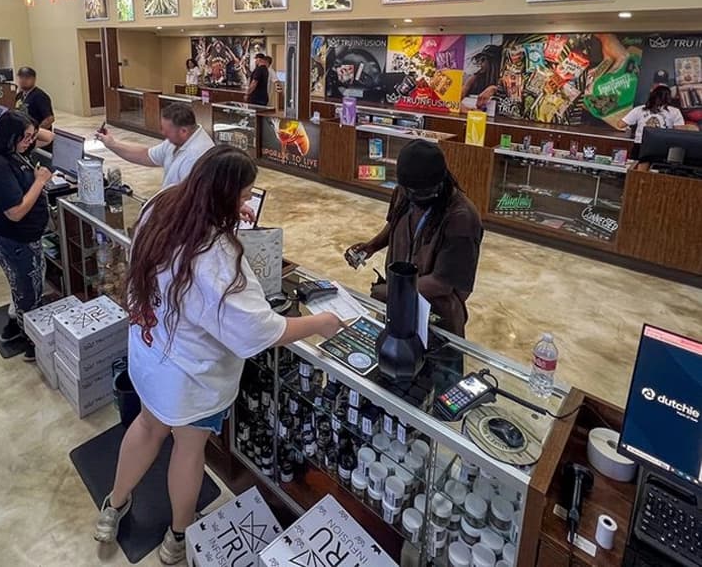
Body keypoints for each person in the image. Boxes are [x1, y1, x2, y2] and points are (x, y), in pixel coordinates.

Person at [94, 147, 341, 559]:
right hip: (191, 377)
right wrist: (320, 323)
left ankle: (114, 504)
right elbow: (259, 331)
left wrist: (227, 214)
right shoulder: (216, 257)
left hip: (152, 354)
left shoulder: (162, 204)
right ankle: (177, 536)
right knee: (188, 450)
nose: (246, 204)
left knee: (147, 426)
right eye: (242, 196)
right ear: (223, 195)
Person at [345, 140, 482, 337]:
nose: (415, 198)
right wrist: (372, 246)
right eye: (409, 192)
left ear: (440, 182)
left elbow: (442, 283)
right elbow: (395, 223)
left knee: (429, 355)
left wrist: (392, 291)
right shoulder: (405, 192)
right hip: (397, 304)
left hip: (436, 317)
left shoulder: (462, 218)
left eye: (422, 193)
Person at [0, 112, 55, 361]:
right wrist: (39, 181)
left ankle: (16, 324)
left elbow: (49, 137)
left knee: (22, 284)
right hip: (15, 238)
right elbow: (16, 212)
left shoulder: (9, 151)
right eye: (25, 137)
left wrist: (30, 128)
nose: (30, 142)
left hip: (16, 236)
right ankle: (31, 341)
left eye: (31, 137)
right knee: (28, 289)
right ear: (9, 135)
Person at [96, 102, 214, 189]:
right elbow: (146, 155)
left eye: (166, 130)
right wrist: (112, 144)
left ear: (183, 131)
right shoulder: (176, 141)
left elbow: (189, 200)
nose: (162, 133)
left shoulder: (196, 156)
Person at [618, 84, 686, 159]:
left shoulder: (639, 109)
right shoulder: (675, 111)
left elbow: (621, 124)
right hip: (663, 146)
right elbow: (679, 130)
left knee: (637, 165)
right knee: (657, 166)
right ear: (669, 97)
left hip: (640, 145)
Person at [14, 66, 54, 130]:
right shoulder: (19, 95)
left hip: (36, 133)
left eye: (27, 78)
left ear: (34, 79)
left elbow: (49, 119)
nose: (23, 80)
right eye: (21, 77)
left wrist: (36, 131)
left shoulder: (40, 96)